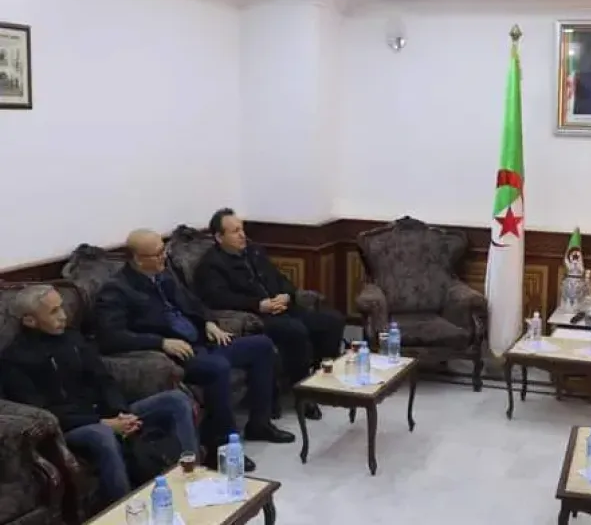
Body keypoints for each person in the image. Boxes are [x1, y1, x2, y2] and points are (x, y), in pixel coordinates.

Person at [96, 229, 295, 473]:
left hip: (202, 342)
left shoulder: (165, 275)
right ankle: (221, 446)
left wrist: (209, 322)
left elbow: (194, 303)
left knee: (261, 345)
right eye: (158, 254)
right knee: (217, 368)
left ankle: (260, 424)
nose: (164, 257)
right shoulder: (117, 290)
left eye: (163, 251)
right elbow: (112, 337)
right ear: (138, 259)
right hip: (178, 355)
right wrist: (160, 342)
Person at [0, 285, 198, 504]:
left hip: (106, 414)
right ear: (30, 321)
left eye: (62, 307)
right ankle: (125, 507)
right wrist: (103, 422)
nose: (63, 316)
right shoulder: (14, 360)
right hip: (71, 427)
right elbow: (42, 413)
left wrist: (120, 412)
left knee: (176, 400)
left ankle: (191, 476)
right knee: (102, 435)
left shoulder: (72, 338)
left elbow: (103, 378)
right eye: (53, 312)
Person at [193, 208, 346, 419]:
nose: (242, 235)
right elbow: (219, 299)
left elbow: (280, 278)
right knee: (295, 331)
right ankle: (303, 394)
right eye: (235, 231)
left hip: (282, 307)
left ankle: (320, 381)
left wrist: (286, 296)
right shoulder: (211, 265)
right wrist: (259, 305)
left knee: (332, 320)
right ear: (219, 237)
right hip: (257, 317)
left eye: (242, 229)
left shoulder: (253, 251)